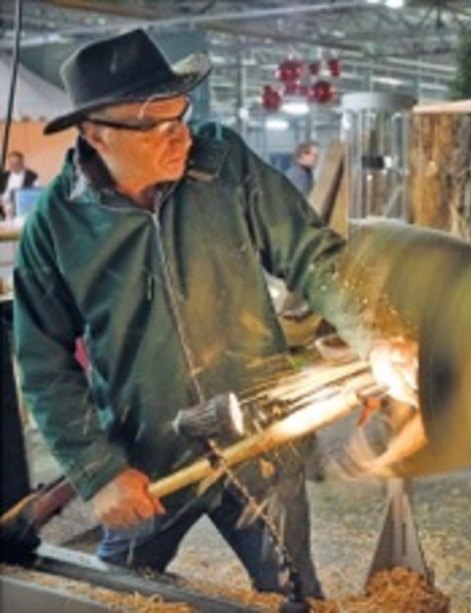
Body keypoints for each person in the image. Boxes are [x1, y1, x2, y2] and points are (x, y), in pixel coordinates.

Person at [13, 29, 416, 599]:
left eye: (183, 116)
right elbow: (43, 363)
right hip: (147, 461)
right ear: (95, 133)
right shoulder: (56, 228)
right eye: (157, 125)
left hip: (260, 439)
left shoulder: (224, 165)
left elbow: (314, 256)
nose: (181, 137)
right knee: (119, 594)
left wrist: (377, 337)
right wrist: (97, 472)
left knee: (292, 596)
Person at [0, 151, 38, 220]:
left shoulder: (32, 177)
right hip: (4, 208)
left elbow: (36, 195)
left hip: (23, 210)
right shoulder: (4, 176)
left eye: (16, 163)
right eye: (11, 163)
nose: (13, 166)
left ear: (22, 162)